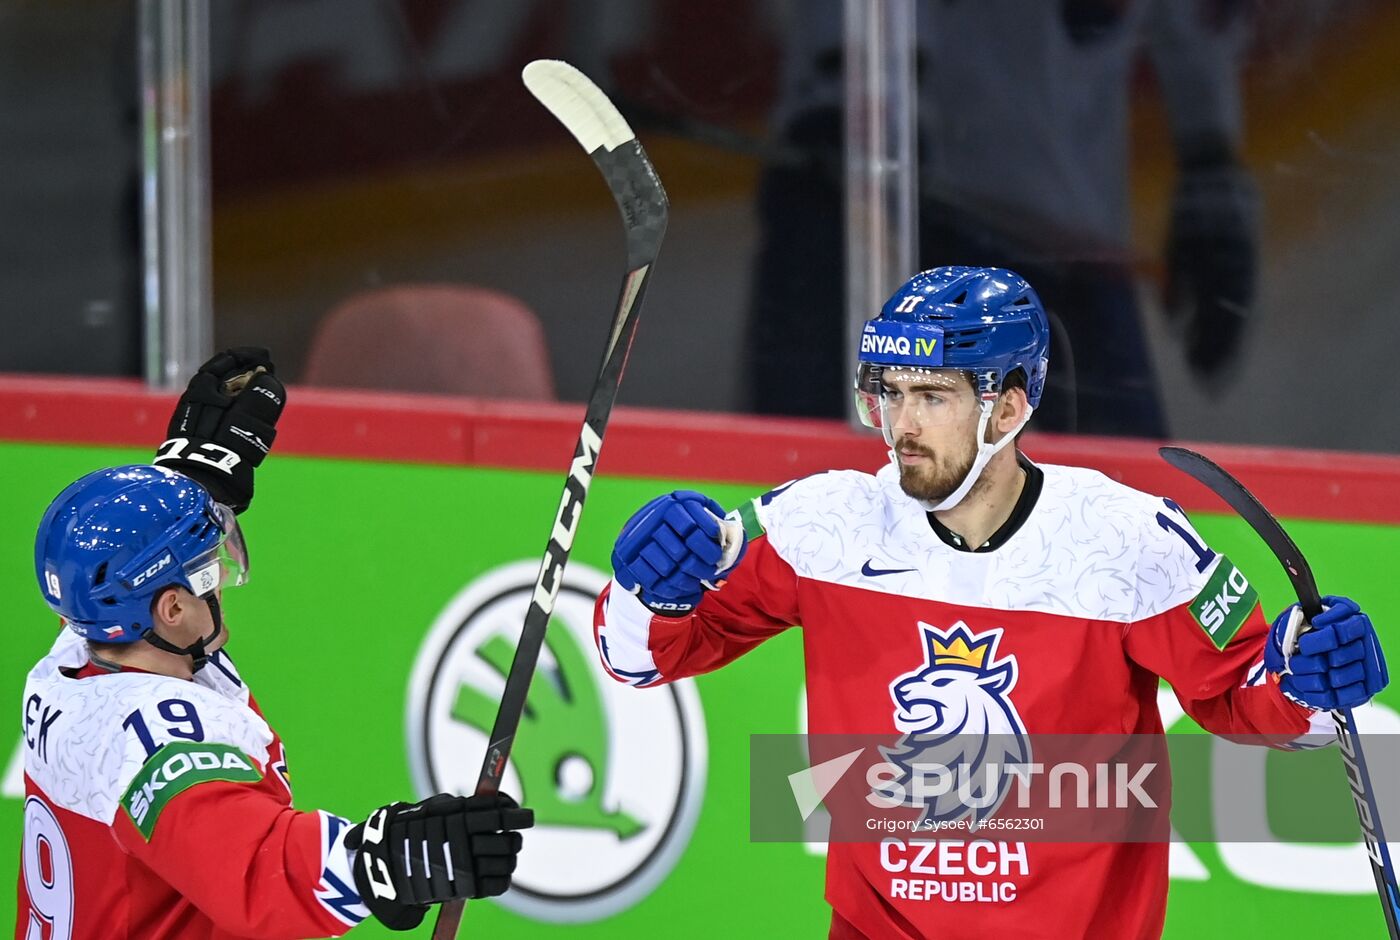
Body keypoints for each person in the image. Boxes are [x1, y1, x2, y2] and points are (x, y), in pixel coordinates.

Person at [595, 266, 1387, 939]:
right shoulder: (824, 525)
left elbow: (1246, 694)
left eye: (932, 396)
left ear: (1007, 409)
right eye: (890, 393)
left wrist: (1309, 677)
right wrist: (648, 589)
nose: (901, 425)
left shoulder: (1126, 540)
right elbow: (636, 660)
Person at [16, 349, 533, 938]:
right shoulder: (155, 748)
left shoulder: (79, 655)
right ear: (172, 608)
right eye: (206, 569)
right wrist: (385, 862)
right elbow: (255, 867)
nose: (219, 579)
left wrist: (190, 484)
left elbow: (102, 569)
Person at [748, 0, 1258, 433]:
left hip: (1070, 246)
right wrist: (846, 93)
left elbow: (1195, 25)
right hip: (908, 220)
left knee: (1121, 501)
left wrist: (1209, 161)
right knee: (834, 480)